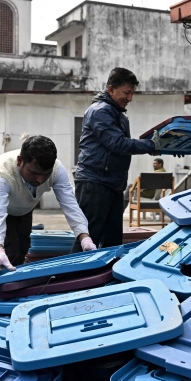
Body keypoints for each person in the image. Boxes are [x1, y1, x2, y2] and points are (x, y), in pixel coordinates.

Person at [0, 135, 95, 276]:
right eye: (34, 173)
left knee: (23, 247)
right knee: (9, 250)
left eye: (45, 175)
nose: (40, 179)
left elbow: (70, 204)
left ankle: (17, 286)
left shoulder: (56, 170)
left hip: (23, 205)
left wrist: (84, 237)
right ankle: (3, 291)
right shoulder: (1, 175)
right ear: (20, 161)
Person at [75, 67, 164, 248]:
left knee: (112, 243)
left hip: (113, 184)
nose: (130, 98)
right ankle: (75, 276)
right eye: (126, 93)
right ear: (111, 89)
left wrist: (161, 146)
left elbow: (124, 145)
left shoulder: (120, 117)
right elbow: (118, 143)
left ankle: (105, 277)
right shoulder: (99, 111)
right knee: (88, 241)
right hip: (95, 182)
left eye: (132, 93)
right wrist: (151, 145)